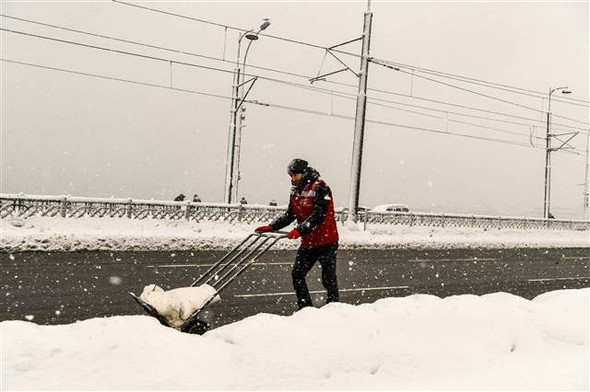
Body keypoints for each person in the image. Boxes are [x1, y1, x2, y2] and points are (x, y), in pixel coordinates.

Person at [256, 158, 339, 309]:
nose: (292, 179)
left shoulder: (321, 187)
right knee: (297, 274)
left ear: (304, 173)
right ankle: (305, 308)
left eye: (295, 175)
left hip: (326, 241)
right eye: (291, 176)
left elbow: (318, 215)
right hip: (309, 242)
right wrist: (272, 226)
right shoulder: (295, 190)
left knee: (328, 278)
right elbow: (290, 214)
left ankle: (334, 308)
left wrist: (299, 230)